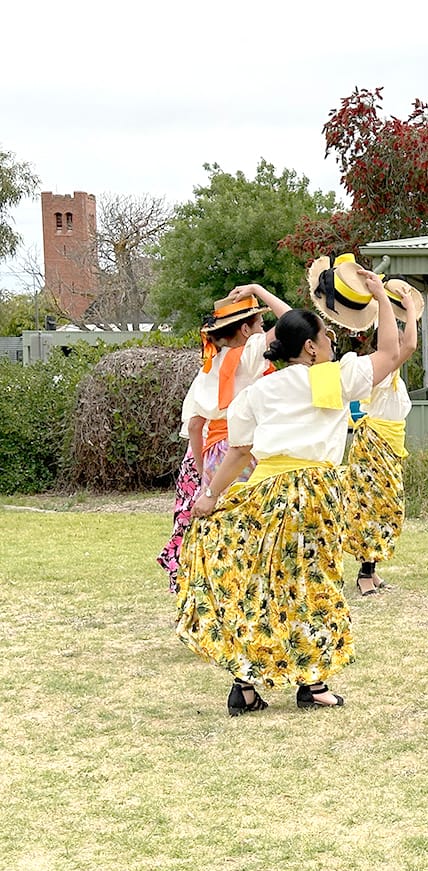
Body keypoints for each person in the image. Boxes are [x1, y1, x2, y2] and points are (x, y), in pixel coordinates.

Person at [178, 256, 402, 714]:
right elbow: (393, 354)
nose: (331, 342)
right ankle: (314, 685)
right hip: (316, 495)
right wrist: (380, 297)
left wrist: (208, 498)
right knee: (313, 586)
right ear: (314, 348)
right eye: (326, 337)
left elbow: (238, 453)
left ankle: (245, 684)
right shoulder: (333, 379)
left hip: (265, 492)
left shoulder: (259, 391)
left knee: (261, 585)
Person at [157, 285, 290, 594]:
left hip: (209, 452)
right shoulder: (250, 355)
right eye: (258, 324)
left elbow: (194, 425)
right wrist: (258, 289)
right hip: (243, 451)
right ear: (246, 329)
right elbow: (292, 320)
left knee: (215, 529)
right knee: (248, 528)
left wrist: (204, 473)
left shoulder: (210, 366)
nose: (263, 329)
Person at [341, 278, 422, 595]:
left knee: (384, 508)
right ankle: (364, 573)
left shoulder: (390, 373)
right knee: (372, 507)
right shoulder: (381, 369)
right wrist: (410, 308)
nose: (401, 344)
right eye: (395, 338)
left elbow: (409, 346)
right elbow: (412, 346)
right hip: (375, 445)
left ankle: (371, 570)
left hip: (388, 445)